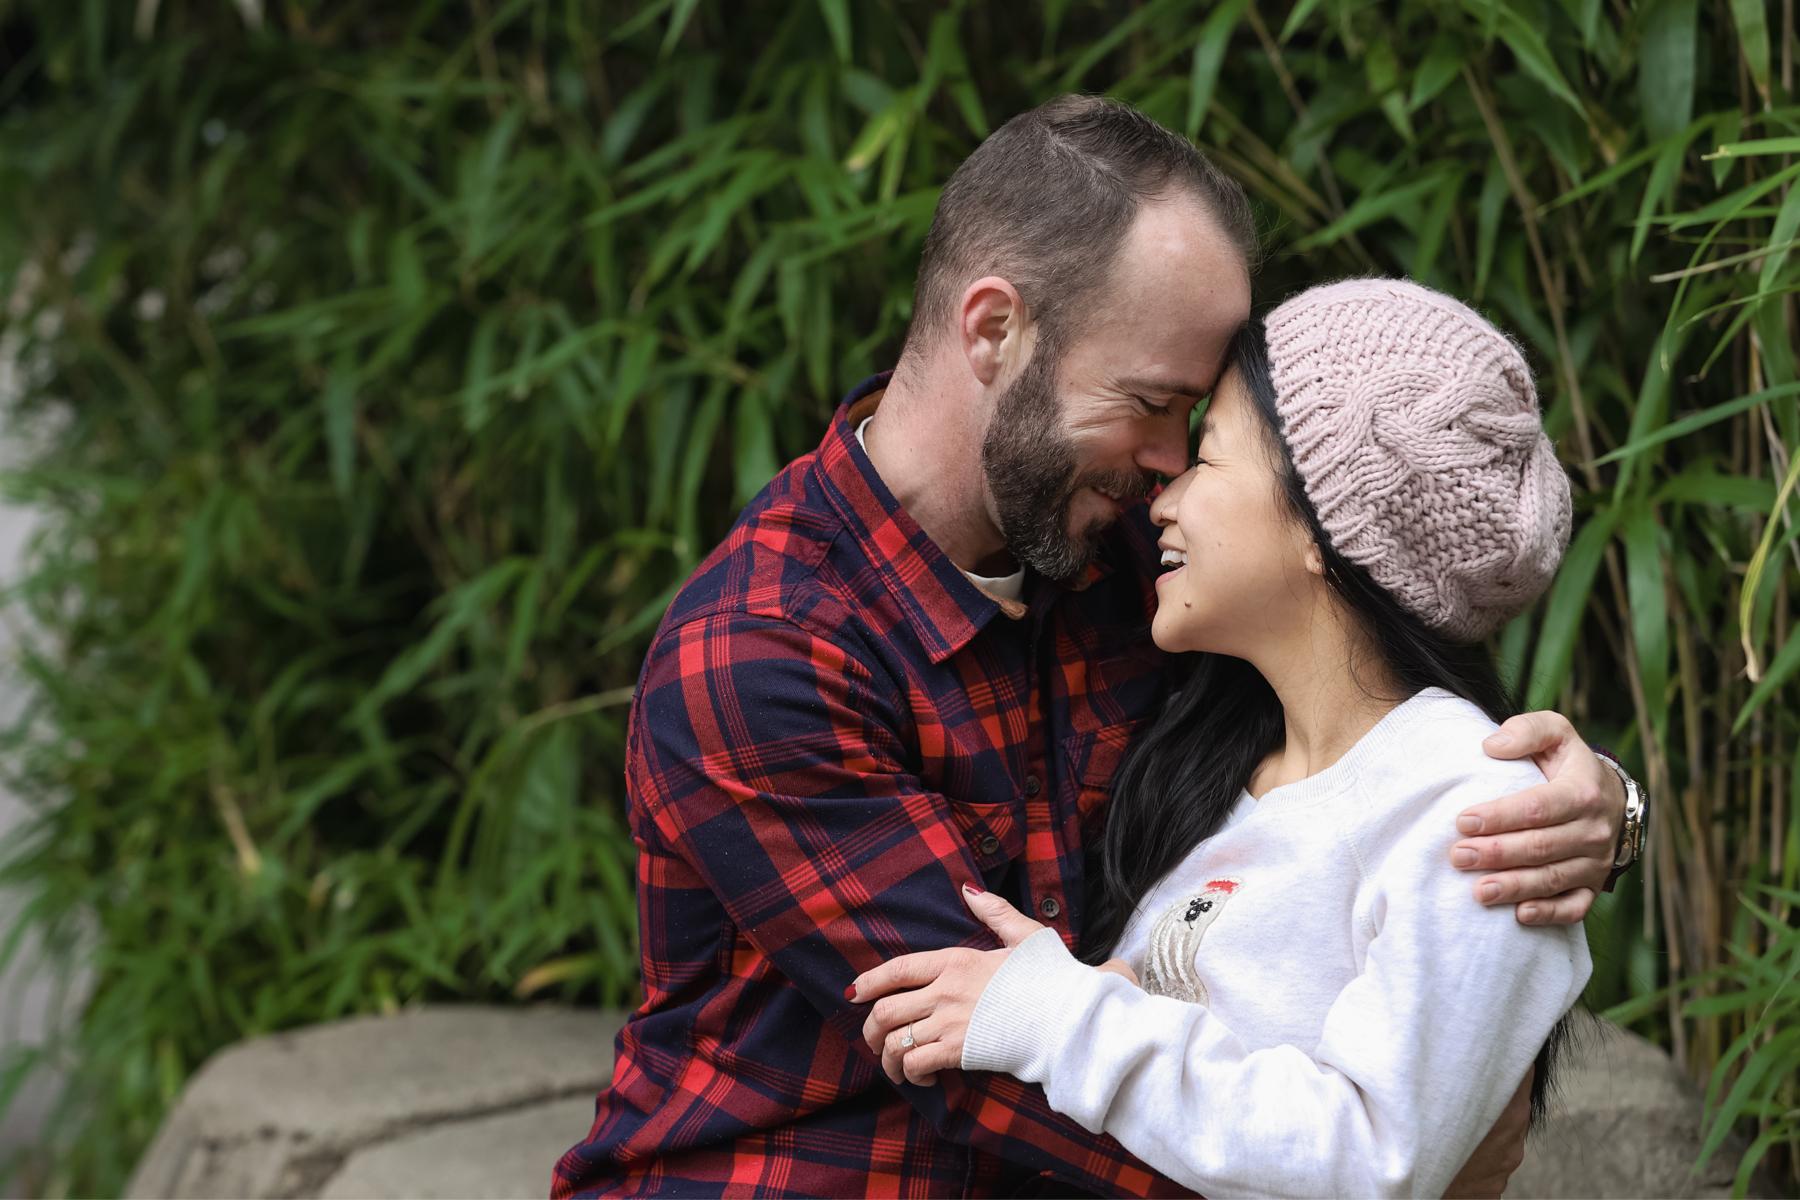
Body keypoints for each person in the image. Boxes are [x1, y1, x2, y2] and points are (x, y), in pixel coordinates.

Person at [552, 97, 1643, 1199]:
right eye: (1153, 403)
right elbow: (988, 1052)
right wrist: (1390, 1172)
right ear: (993, 331)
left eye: (1200, 428)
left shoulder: (1144, 562)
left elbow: (1369, 740)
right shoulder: (763, 654)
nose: (1169, 466)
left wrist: (1584, 810)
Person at [851, 280, 1591, 1197]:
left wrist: (1056, 1014)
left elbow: (1371, 1159)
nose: (1162, 497)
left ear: (1326, 530)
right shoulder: (1232, 763)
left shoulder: (1477, 820)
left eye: (1208, 457)